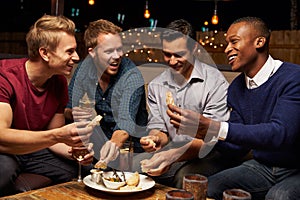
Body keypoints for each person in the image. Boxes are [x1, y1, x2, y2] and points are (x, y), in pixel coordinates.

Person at [166, 17, 300, 200]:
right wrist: (203, 132)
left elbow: (280, 133)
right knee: (210, 187)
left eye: (234, 41)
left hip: (296, 168)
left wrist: (214, 127)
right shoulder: (237, 87)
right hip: (263, 166)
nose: (227, 48)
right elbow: (237, 147)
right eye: (227, 43)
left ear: (259, 42)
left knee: (279, 196)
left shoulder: (293, 78)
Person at [134, 19, 243, 188]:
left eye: (178, 54)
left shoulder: (215, 83)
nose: (171, 61)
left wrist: (172, 156)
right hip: (173, 149)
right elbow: (159, 128)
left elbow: (212, 138)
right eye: (167, 54)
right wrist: (154, 139)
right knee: (134, 166)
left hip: (210, 153)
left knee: (185, 177)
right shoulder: (156, 85)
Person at [0, 15, 95, 197]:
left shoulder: (58, 81)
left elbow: (55, 134)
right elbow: (1, 135)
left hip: (34, 150)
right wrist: (56, 135)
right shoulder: (5, 77)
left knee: (85, 169)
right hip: (6, 150)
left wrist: (74, 151)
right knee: (3, 171)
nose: (76, 57)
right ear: (45, 53)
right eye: (69, 51)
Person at [64, 19, 148, 170]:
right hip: (98, 145)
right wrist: (74, 113)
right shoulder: (84, 69)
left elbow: (125, 124)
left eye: (119, 49)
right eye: (109, 51)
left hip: (131, 150)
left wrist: (112, 145)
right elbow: (68, 109)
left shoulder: (131, 75)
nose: (117, 56)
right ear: (92, 53)